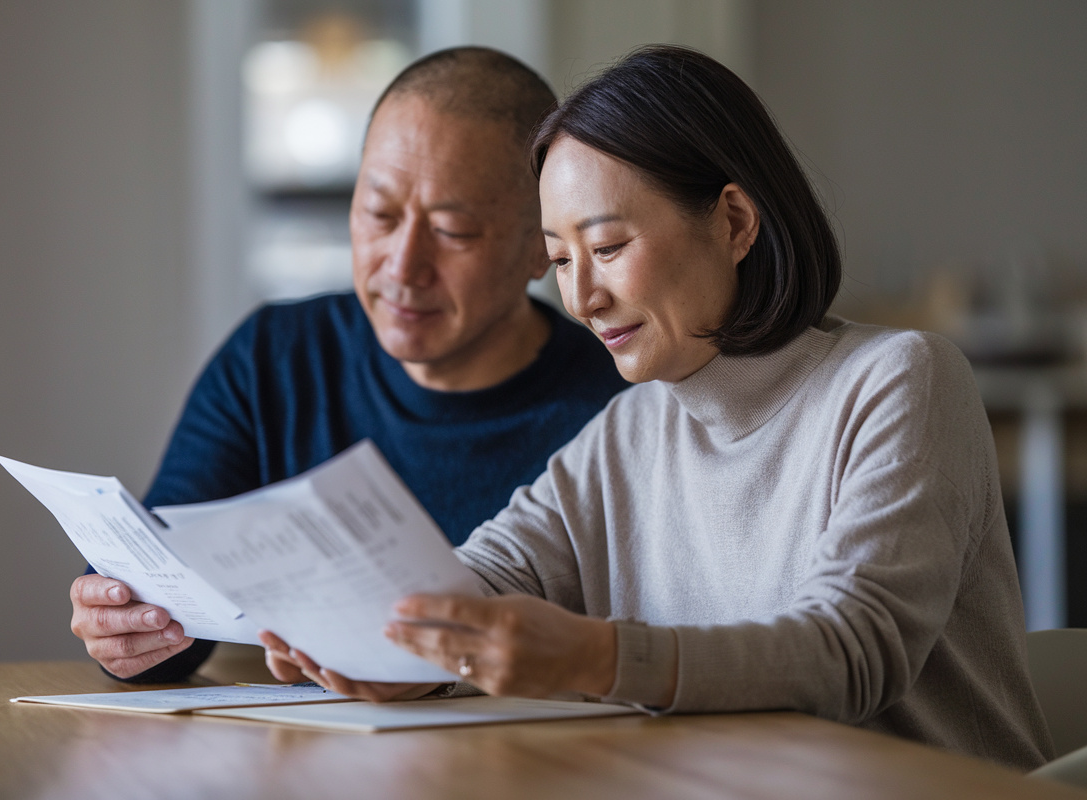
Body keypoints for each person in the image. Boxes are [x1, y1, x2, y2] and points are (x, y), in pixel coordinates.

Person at [263, 45, 1054, 770]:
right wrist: (389, 645)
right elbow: (487, 576)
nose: (582, 297)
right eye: (562, 260)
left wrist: (595, 658)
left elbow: (852, 654)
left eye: (607, 249)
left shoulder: (898, 380)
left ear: (735, 223)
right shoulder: (630, 429)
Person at [67, 47, 630, 683]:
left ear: (540, 250)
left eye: (452, 231)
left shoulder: (618, 408)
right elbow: (171, 589)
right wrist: (127, 620)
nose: (402, 265)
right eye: (380, 215)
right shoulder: (276, 358)